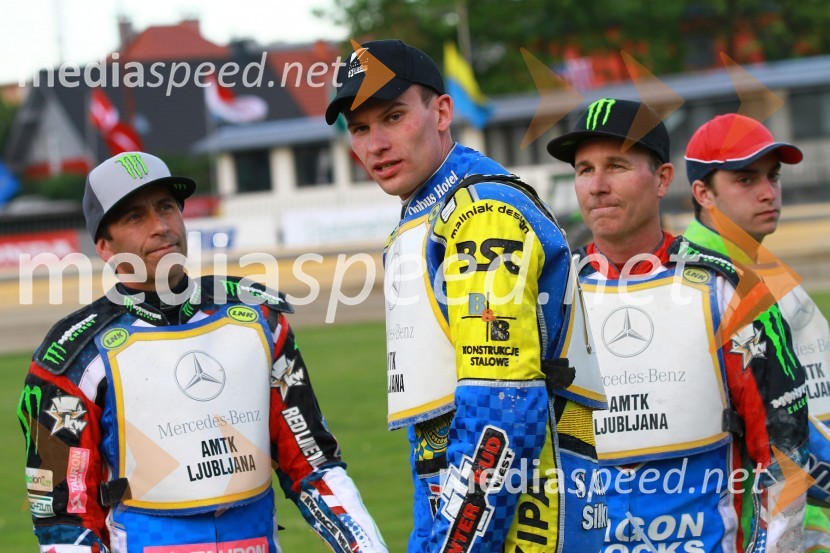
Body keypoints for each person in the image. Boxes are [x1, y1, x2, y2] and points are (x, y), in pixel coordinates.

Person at [17, 151, 387, 553]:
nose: (161, 226)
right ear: (105, 246)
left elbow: (313, 465)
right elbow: (63, 521)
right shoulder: (72, 356)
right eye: (135, 217)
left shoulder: (258, 318)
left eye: (167, 207)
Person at [325, 39, 608, 551]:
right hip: (466, 516)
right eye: (360, 129)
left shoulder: (480, 213)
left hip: (526, 526)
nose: (375, 145)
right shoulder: (428, 215)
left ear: (442, 111)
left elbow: (501, 418)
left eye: (392, 117)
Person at [547, 98, 810, 552]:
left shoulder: (731, 290)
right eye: (585, 169)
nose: (598, 186)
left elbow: (784, 452)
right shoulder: (548, 298)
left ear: (663, 179)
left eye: (617, 166)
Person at [683, 113, 830, 551]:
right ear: (703, 193)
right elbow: (784, 427)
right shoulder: (704, 283)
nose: (769, 192)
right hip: (756, 529)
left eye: (773, 176)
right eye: (746, 180)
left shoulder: (765, 268)